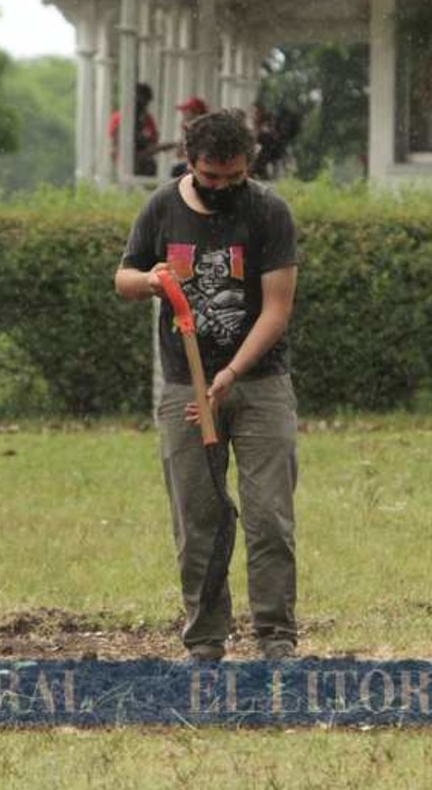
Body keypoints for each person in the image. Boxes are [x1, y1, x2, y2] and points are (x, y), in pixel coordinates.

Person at [114, 110, 301, 661]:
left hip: (259, 383)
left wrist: (230, 374)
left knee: (269, 514)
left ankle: (275, 636)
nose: (222, 189)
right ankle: (205, 640)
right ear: (191, 164)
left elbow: (276, 310)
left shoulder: (268, 211)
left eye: (233, 178)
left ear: (248, 166)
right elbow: (122, 278)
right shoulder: (162, 208)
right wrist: (150, 280)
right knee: (199, 516)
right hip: (184, 388)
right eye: (211, 178)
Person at [108, 82, 162, 177]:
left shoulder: (148, 120)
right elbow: (114, 146)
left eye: (145, 102)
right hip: (126, 166)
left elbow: (153, 143)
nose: (143, 106)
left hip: (145, 166)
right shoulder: (119, 118)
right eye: (139, 102)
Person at [171, 96, 209, 178]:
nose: (183, 114)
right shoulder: (191, 130)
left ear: (196, 113)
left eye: (186, 111)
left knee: (177, 170)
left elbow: (181, 153)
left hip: (197, 170)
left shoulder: (202, 131)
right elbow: (179, 153)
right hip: (192, 167)